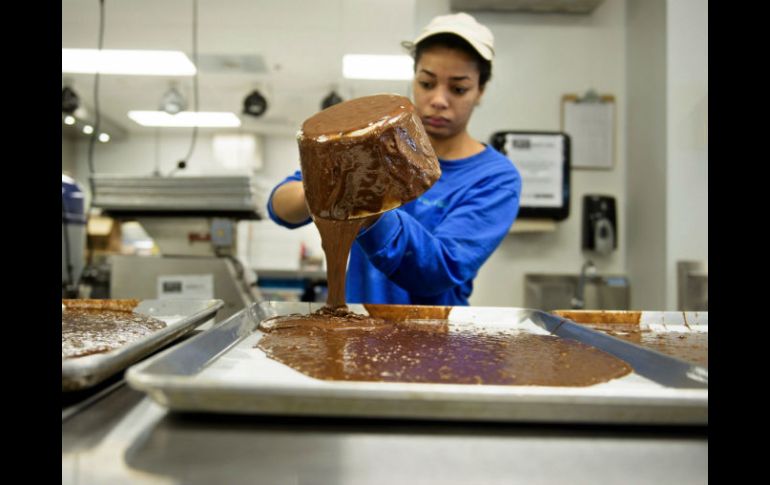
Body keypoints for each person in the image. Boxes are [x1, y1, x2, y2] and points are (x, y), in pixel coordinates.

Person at [267, 12, 521, 306]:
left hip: (434, 339)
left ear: (480, 91)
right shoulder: (370, 142)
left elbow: (439, 270)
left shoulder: (494, 177)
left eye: (458, 89)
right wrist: (326, 189)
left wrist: (366, 198)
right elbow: (279, 206)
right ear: (414, 79)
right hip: (358, 329)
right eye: (427, 83)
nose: (439, 100)